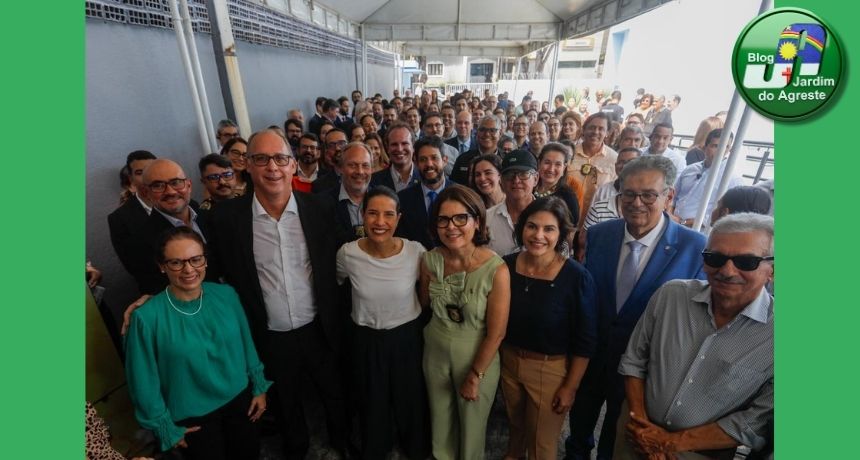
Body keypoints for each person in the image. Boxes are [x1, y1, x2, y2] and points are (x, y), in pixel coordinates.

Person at [205, 129, 355, 460]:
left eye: (281, 159)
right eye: (261, 159)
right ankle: (296, 448)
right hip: (268, 333)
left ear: (292, 166)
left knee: (334, 392)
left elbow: (347, 254)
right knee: (285, 401)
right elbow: (209, 273)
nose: (272, 167)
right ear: (248, 165)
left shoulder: (319, 207)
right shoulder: (226, 219)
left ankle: (342, 441)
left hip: (318, 325)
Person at [565, 155, 707, 460]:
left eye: (648, 195)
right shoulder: (600, 235)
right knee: (579, 425)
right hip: (592, 357)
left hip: (646, 369)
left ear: (670, 196)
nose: (636, 202)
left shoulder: (695, 248)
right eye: (628, 193)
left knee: (619, 436)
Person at [616, 213, 774, 459]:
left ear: (772, 270)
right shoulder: (671, 296)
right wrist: (641, 427)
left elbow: (757, 419)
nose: (727, 270)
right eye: (715, 258)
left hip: (701, 453)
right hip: (636, 433)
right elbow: (634, 361)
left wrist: (670, 443)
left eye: (746, 262)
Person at [125, 227, 271, 459]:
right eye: (176, 262)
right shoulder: (146, 318)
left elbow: (246, 343)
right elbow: (143, 381)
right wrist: (165, 428)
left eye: (196, 259)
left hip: (241, 402)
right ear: (161, 266)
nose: (189, 269)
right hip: (193, 419)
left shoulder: (226, 294)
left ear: (205, 260)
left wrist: (259, 386)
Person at [336, 187, 431, 460]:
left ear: (398, 218)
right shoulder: (347, 254)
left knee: (410, 399)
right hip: (366, 338)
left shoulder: (415, 251)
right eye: (373, 213)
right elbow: (339, 284)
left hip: (407, 338)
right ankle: (375, 448)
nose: (380, 222)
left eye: (389, 214)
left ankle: (415, 448)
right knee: (371, 400)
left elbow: (424, 294)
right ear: (362, 216)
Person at [500, 197, 597, 460]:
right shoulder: (505, 266)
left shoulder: (576, 277)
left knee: (542, 444)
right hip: (508, 362)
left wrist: (570, 387)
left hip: (550, 369)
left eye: (549, 229)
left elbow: (585, 340)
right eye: (532, 226)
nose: (538, 235)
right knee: (516, 429)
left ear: (561, 234)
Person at [419, 185, 511, 460]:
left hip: (476, 356)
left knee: (472, 431)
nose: (452, 227)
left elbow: (497, 334)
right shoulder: (429, 259)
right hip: (434, 350)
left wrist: (475, 375)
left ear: (477, 221)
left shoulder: (497, 269)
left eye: (461, 218)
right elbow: (424, 305)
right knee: (440, 423)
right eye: (443, 220)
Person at [673, 128, 743, 228]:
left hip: (698, 231)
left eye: (725, 147)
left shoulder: (732, 179)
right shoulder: (690, 169)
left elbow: (727, 215)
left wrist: (682, 222)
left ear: (730, 150)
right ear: (705, 147)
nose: (720, 151)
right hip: (672, 222)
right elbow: (674, 196)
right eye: (715, 146)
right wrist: (669, 215)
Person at [108, 150, 157, 287]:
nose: (148, 177)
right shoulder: (119, 219)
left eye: (152, 170)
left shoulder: (178, 202)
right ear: (131, 179)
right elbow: (134, 267)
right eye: (140, 173)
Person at [396, 135, 450, 249]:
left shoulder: (461, 194)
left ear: (445, 160)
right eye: (423, 159)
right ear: (416, 163)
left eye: (434, 158)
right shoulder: (403, 199)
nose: (429, 164)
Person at [567, 113, 618, 226]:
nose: (595, 132)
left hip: (596, 223)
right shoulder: (570, 153)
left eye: (601, 129)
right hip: (567, 219)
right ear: (584, 130)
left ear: (607, 133)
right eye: (592, 127)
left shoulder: (614, 159)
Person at [486, 150, 538, 256]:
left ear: (536, 179)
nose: (516, 180)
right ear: (501, 181)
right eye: (509, 174)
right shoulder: (487, 218)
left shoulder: (550, 218)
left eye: (523, 174)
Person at [534, 143, 581, 228]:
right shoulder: (529, 187)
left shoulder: (568, 197)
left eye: (558, 164)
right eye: (547, 162)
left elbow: (570, 232)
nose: (551, 169)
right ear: (539, 163)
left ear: (564, 168)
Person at [370, 123, 421, 192]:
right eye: (394, 144)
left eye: (404, 143)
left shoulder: (425, 177)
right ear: (387, 148)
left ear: (413, 146)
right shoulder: (374, 181)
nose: (399, 149)